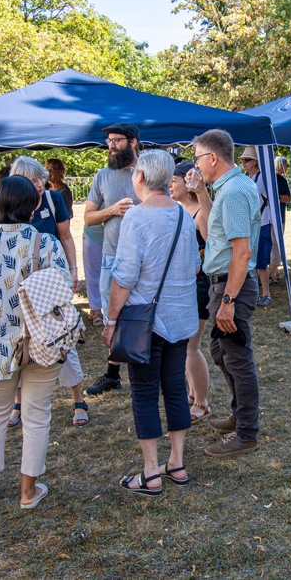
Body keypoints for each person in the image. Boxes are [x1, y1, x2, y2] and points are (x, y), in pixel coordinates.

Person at [0, 176, 72, 509]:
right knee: (37, 416)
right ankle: (27, 492)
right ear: (34, 205)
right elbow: (63, 291)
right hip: (41, 342)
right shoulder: (47, 243)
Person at [101, 150, 200, 496]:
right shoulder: (184, 216)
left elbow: (124, 277)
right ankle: (177, 462)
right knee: (174, 388)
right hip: (181, 317)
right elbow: (194, 266)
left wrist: (110, 320)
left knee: (144, 392)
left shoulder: (137, 218)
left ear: (140, 177)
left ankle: (150, 473)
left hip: (145, 319)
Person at [189, 129, 261, 458]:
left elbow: (242, 253)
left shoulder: (232, 192)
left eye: (198, 158)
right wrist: (200, 191)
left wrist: (228, 301)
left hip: (231, 285)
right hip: (223, 283)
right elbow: (215, 232)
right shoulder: (229, 187)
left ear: (213, 158)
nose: (196, 164)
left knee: (236, 357)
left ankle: (246, 432)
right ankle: (240, 417)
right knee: (221, 352)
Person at [9, 157, 88, 426]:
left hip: (51, 284)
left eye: (41, 178)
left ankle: (78, 398)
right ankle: (18, 403)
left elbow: (66, 236)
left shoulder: (53, 200)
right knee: (22, 341)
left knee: (61, 335)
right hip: (21, 287)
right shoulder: (14, 204)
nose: (39, 184)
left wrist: (74, 270)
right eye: (32, 180)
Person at [83, 122, 141, 396]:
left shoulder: (147, 172)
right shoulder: (102, 176)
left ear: (132, 142)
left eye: (116, 140)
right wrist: (112, 210)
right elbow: (88, 218)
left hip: (143, 259)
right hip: (111, 258)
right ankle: (113, 375)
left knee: (144, 313)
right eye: (108, 141)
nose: (110, 145)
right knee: (112, 317)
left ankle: (145, 371)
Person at [169, 161, 212, 422]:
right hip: (182, 285)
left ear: (188, 183)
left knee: (191, 347)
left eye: (173, 181)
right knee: (183, 345)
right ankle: (192, 394)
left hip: (200, 285)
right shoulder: (176, 209)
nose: (169, 186)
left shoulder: (200, 212)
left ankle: (202, 401)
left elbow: (211, 248)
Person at [238, 147, 277, 307]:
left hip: (262, 222)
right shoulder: (247, 177)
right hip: (250, 224)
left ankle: (266, 293)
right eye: (242, 160)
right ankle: (253, 292)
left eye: (246, 160)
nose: (243, 163)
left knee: (261, 260)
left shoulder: (262, 179)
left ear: (256, 162)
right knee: (249, 259)